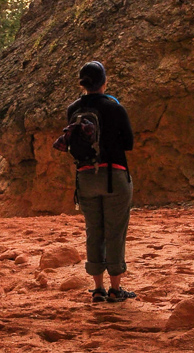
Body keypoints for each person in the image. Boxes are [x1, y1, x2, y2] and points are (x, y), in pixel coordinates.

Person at [59, 60, 134, 302]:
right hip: (114, 176)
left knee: (94, 230)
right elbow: (129, 144)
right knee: (115, 231)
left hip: (85, 178)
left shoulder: (73, 109)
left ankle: (98, 289)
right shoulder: (115, 108)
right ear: (104, 82)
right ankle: (115, 289)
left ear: (82, 84)